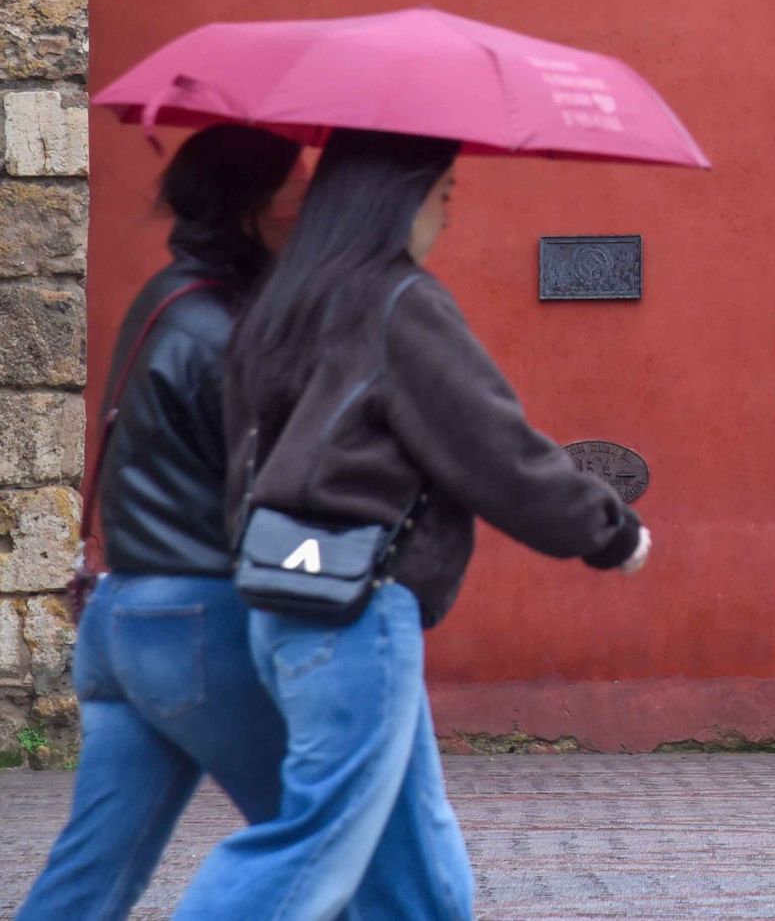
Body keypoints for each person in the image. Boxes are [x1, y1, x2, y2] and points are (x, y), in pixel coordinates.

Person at [173, 127, 651, 921]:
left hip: (284, 594)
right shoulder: (399, 301)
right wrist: (610, 530)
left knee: (419, 880)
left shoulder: (287, 299)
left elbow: (241, 456)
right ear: (396, 199)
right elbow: (494, 445)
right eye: (443, 193)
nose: (448, 215)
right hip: (356, 609)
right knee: (310, 848)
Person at [18, 124, 304, 921]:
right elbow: (274, 491)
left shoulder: (167, 298)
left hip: (122, 615)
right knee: (321, 837)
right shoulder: (225, 330)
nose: (312, 208)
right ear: (251, 208)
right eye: (299, 192)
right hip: (199, 622)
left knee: (88, 880)